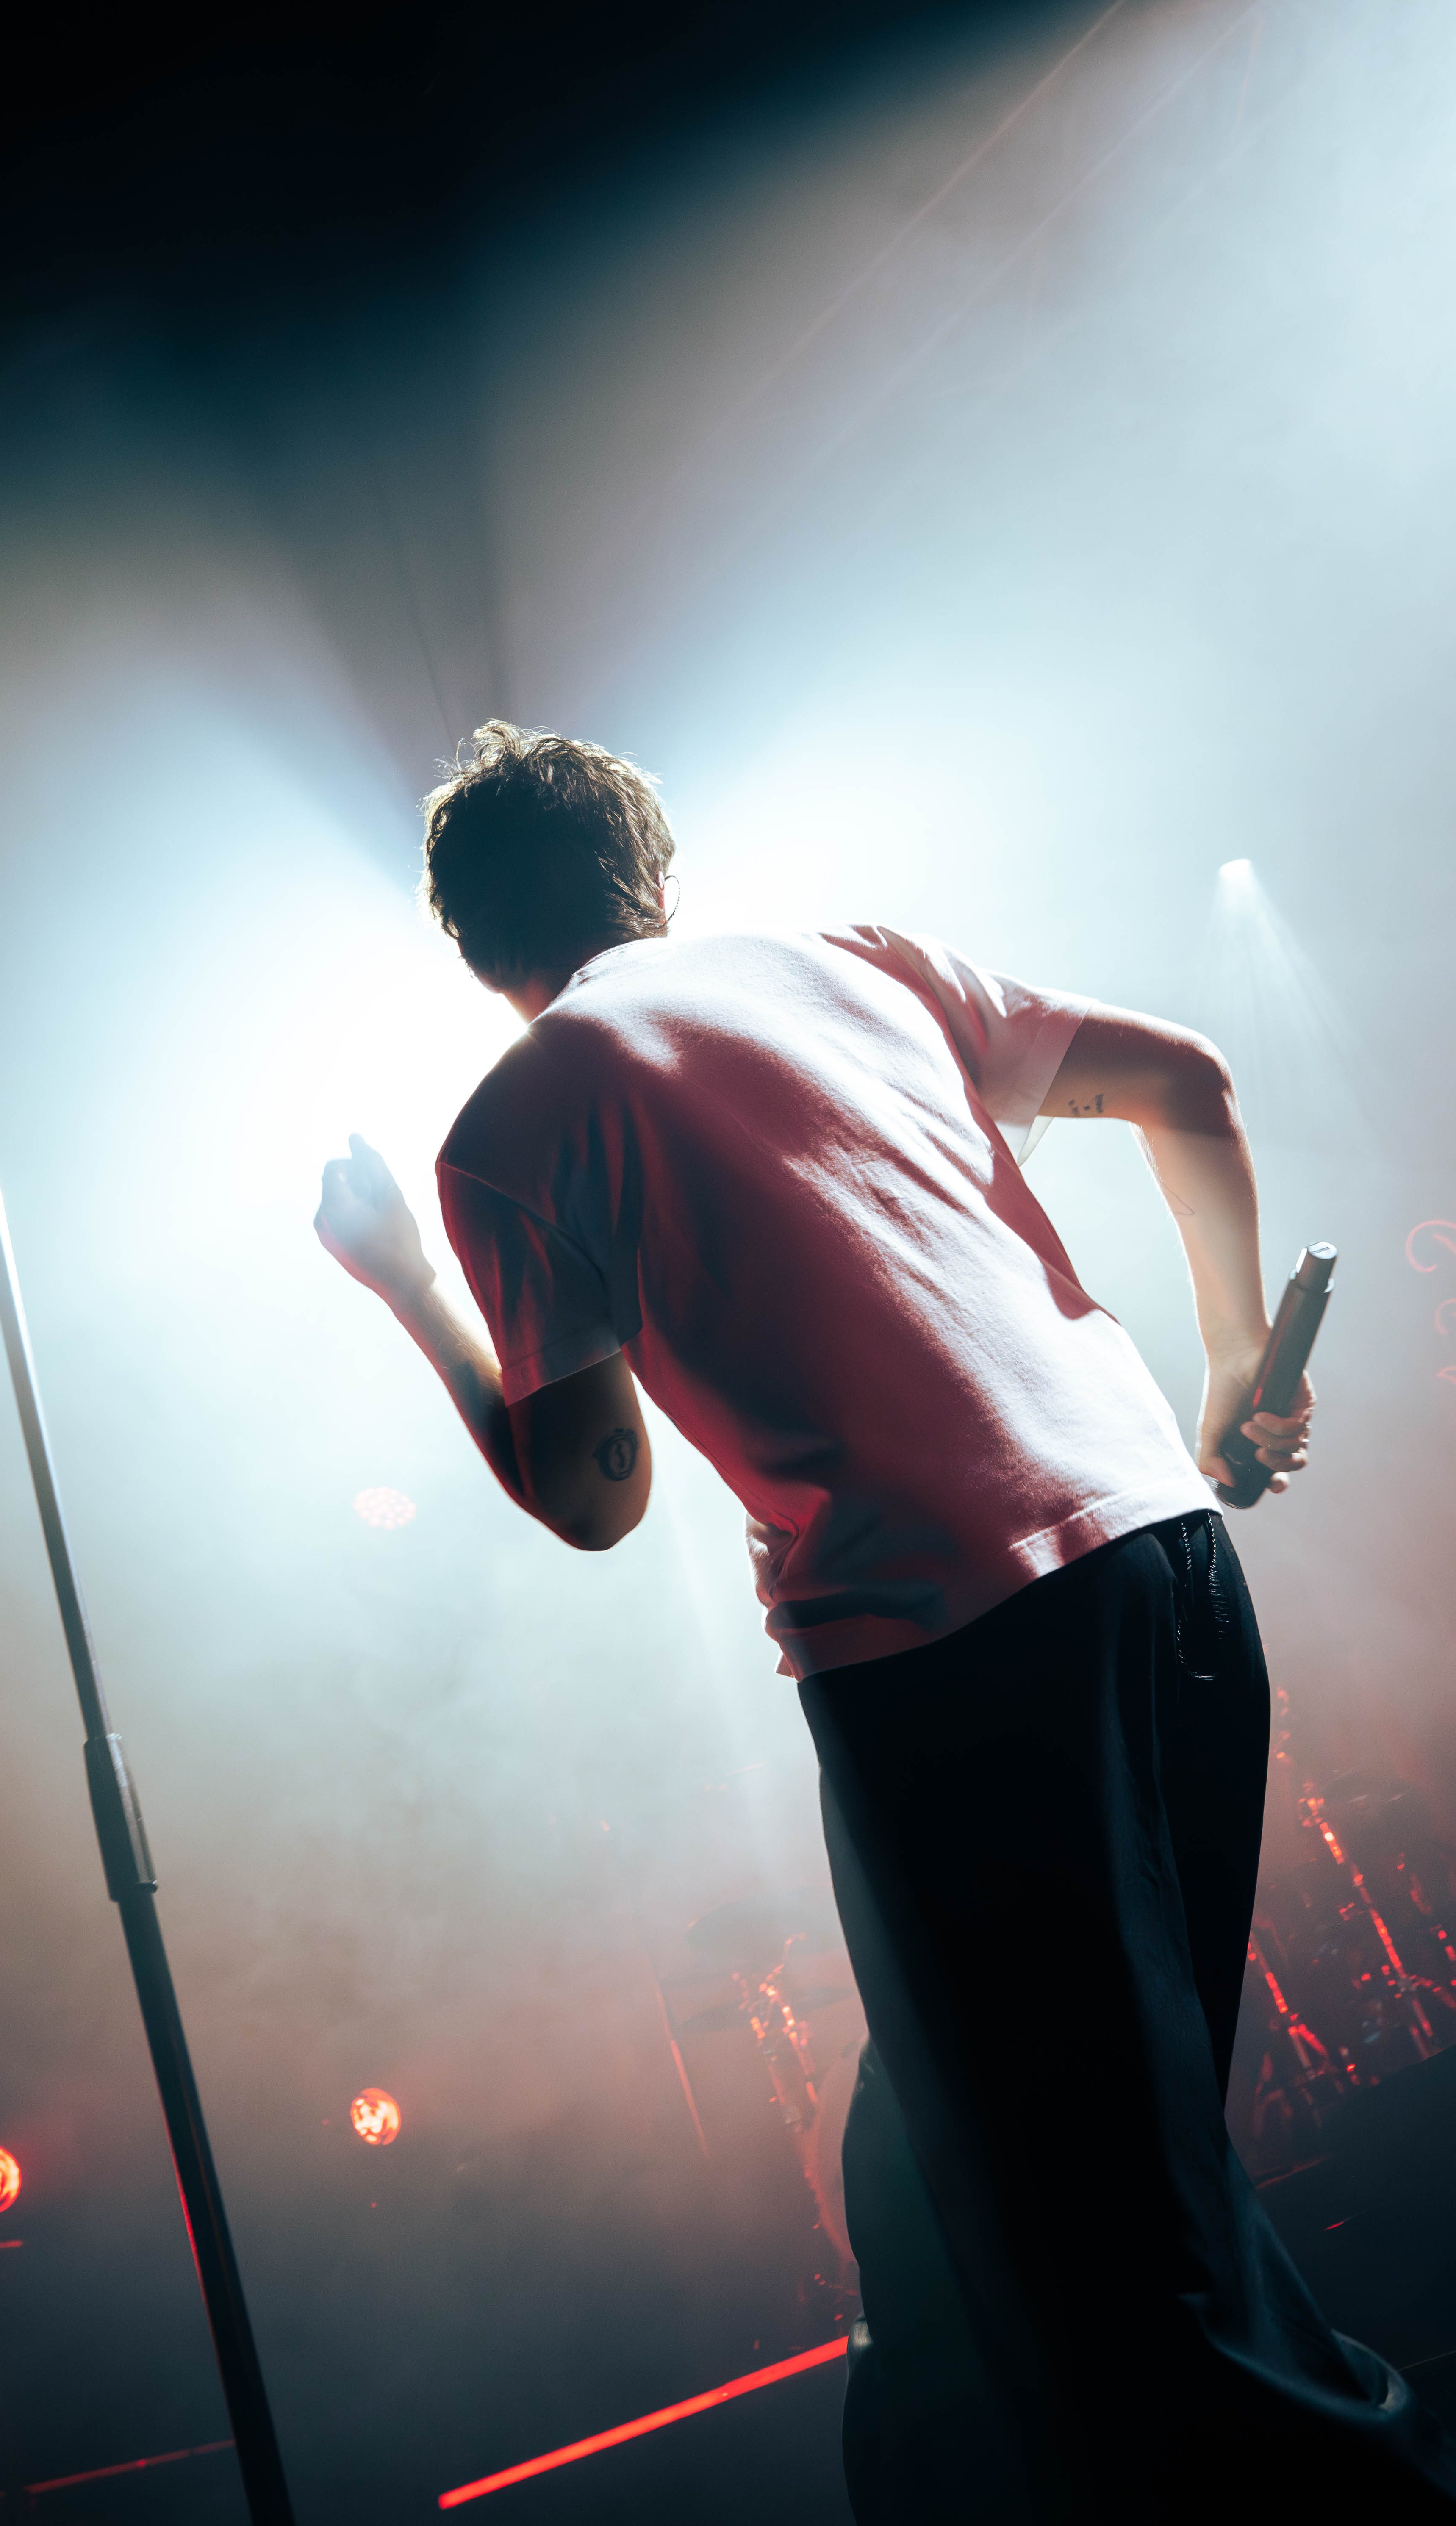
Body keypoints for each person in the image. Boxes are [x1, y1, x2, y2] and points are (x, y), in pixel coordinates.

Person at [314, 721, 1456, 2520]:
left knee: (1115, 2248)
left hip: (953, 1653)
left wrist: (407, 1290)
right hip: (1168, 1570)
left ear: (471, 951)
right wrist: (1233, 1359)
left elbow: (596, 1496)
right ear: (656, 873)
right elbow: (1187, 1081)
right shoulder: (854, 962)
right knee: (944, 2208)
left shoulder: (512, 1132)